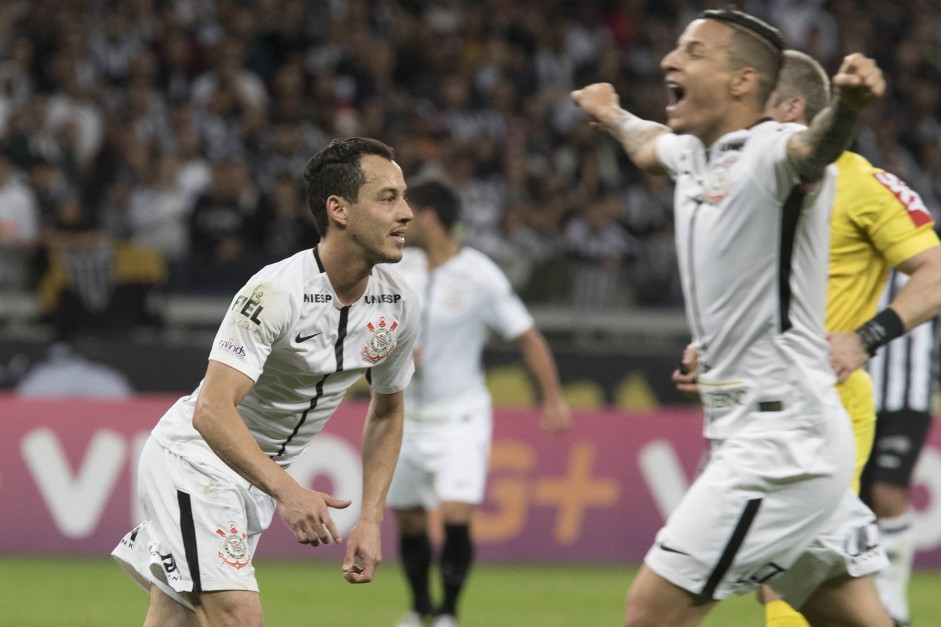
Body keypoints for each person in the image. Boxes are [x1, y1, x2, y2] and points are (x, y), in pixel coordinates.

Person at [571, 8, 892, 627]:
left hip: (778, 447)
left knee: (650, 612)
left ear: (743, 81)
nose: (669, 61)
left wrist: (848, 108)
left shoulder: (772, 153)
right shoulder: (695, 154)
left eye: (692, 52)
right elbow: (646, 145)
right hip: (771, 433)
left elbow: (816, 146)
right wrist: (610, 114)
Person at [674, 49, 941, 627]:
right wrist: (713, 354)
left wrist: (867, 336)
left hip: (824, 402)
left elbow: (936, 272)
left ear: (790, 108)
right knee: (812, 587)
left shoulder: (865, 184)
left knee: (774, 576)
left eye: (753, 102)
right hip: (751, 404)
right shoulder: (747, 187)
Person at [111, 137, 420, 627]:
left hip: (253, 480)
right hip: (197, 462)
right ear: (338, 209)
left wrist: (371, 518)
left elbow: (387, 409)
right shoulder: (274, 292)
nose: (406, 212)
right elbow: (211, 409)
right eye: (387, 198)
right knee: (239, 616)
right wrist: (289, 491)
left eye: (404, 196)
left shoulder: (398, 305)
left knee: (175, 620)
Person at [385, 179, 572, 627]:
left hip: (461, 415)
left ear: (430, 218)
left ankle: (449, 613)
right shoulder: (394, 267)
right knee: (408, 518)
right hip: (402, 415)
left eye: (410, 211)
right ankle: (419, 609)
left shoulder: (479, 274)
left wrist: (553, 398)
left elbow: (526, 335)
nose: (402, 219)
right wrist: (393, 347)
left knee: (455, 511)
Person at [863, 271, 940, 626]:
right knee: (860, 501)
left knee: (887, 492)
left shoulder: (926, 257)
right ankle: (865, 596)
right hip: (858, 394)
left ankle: (893, 595)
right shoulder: (856, 258)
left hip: (909, 396)